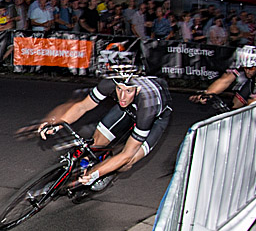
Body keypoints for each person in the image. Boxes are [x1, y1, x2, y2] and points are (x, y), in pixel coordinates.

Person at [35, 63, 172, 190]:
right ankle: (85, 166)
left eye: (128, 91)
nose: (122, 96)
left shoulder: (147, 106)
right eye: (119, 89)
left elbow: (127, 155)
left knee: (127, 162)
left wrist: (96, 174)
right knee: (96, 143)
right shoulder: (109, 84)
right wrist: (58, 124)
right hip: (127, 109)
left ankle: (106, 173)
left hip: (155, 118)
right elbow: (82, 107)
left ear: (138, 89)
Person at [190, 44, 256, 109]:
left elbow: (253, 104)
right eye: (245, 68)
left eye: (251, 68)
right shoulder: (240, 61)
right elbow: (225, 80)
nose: (247, 71)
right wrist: (207, 94)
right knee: (234, 107)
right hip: (252, 82)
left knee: (253, 112)